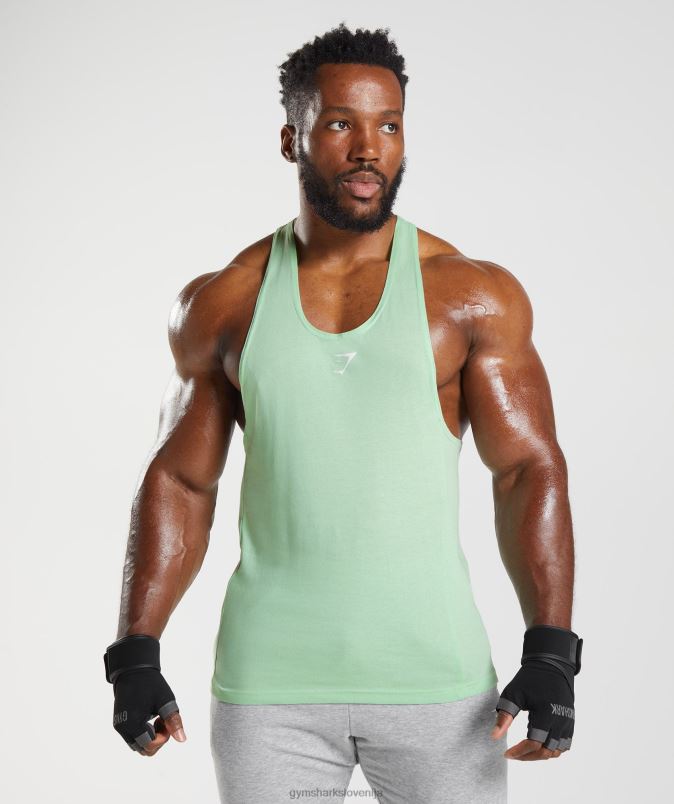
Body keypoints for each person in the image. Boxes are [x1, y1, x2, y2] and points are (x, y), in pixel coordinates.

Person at [103, 22, 582, 804]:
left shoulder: (468, 296)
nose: (369, 149)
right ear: (290, 139)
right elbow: (182, 482)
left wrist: (552, 650)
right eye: (339, 125)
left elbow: (527, 467)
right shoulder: (225, 303)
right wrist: (135, 650)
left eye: (389, 126)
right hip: (269, 692)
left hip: (438, 686)